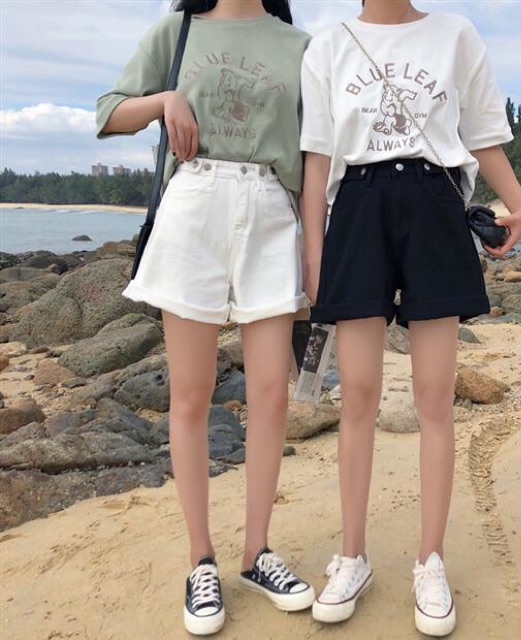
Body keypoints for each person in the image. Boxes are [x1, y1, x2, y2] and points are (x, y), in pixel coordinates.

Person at [299, 0, 521, 636]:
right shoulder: (328, 45)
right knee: (357, 395)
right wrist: (314, 257)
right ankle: (352, 557)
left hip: (435, 205)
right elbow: (317, 159)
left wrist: (519, 202)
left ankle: (431, 561)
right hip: (357, 210)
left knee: (434, 396)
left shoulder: (455, 33)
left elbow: (481, 130)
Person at [96, 0, 314, 635]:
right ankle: (202, 562)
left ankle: (257, 553)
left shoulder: (299, 45)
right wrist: (166, 100)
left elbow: (314, 154)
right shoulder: (178, 28)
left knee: (271, 394)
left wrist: (316, 252)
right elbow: (108, 112)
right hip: (194, 201)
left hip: (272, 209)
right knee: (191, 395)